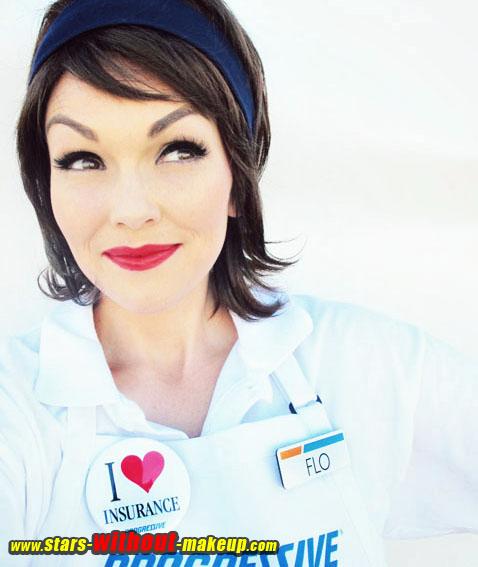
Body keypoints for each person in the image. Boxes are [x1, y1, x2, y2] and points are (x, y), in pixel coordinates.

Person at [1, 0, 477, 566]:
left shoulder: (367, 367)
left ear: (237, 176)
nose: (131, 211)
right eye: (83, 159)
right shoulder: (18, 407)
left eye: (177, 151)